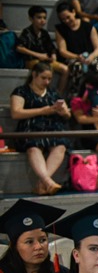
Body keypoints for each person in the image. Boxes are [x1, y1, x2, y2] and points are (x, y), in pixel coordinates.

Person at [9, 63, 71, 195]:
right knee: (33, 147)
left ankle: (42, 183)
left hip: (52, 127)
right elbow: (16, 113)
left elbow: (68, 115)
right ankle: (48, 182)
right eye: (43, 78)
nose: (47, 82)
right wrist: (43, 110)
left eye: (49, 79)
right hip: (30, 127)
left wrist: (63, 112)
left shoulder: (53, 93)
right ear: (34, 75)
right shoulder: (21, 91)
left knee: (60, 146)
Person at [16, 6, 68, 90]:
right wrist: (38, 55)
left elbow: (52, 48)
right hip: (32, 60)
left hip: (45, 61)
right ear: (31, 19)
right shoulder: (27, 32)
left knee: (65, 69)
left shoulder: (44, 33)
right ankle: (45, 92)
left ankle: (59, 94)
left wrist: (53, 55)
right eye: (39, 17)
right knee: (46, 69)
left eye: (44, 18)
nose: (42, 20)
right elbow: (19, 47)